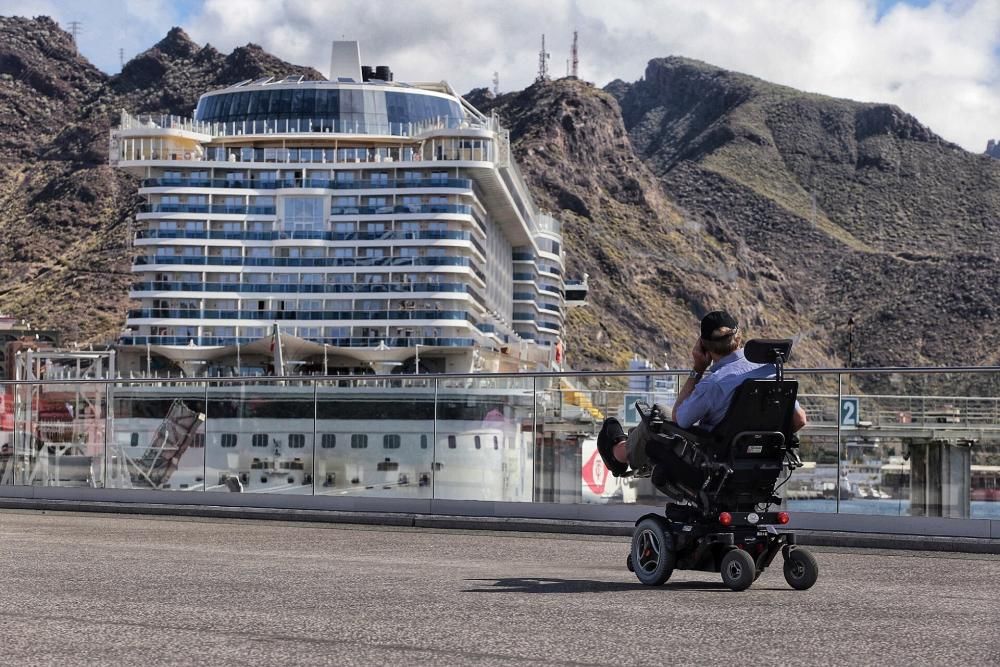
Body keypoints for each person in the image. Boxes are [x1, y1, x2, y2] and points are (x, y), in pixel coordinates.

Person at [597, 310, 807, 476]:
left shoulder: (714, 383)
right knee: (657, 416)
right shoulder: (771, 372)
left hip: (714, 459)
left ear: (704, 347)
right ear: (739, 338)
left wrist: (697, 369)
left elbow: (681, 419)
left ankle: (620, 454)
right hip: (763, 462)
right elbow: (799, 420)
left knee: (657, 416)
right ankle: (630, 439)